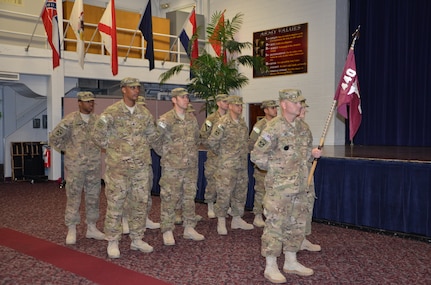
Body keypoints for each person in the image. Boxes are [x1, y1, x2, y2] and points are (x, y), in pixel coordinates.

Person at [250, 89, 322, 283]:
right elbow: (257, 156)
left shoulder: (303, 128)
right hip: (279, 189)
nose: (299, 105)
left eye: (300, 102)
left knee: (296, 225)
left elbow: (303, 153)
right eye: (296, 102)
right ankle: (270, 266)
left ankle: (291, 261)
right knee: (275, 226)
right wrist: (277, 168)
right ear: (284, 104)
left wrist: (312, 154)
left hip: (300, 186)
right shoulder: (273, 128)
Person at [92, 77, 161, 258]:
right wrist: (114, 147)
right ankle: (113, 241)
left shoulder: (144, 114)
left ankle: (137, 239)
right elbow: (97, 135)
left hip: (140, 168)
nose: (136, 91)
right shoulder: (111, 112)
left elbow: (153, 137)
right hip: (118, 169)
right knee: (115, 204)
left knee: (139, 204)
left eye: (138, 87)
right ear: (123, 89)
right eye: (132, 88)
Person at [49, 91, 105, 245]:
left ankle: (92, 228)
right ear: (79, 103)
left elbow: (105, 138)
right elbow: (54, 137)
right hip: (76, 167)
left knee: (93, 197)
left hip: (93, 166)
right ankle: (72, 228)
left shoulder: (98, 121)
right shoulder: (70, 120)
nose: (90, 104)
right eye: (87, 102)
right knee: (74, 197)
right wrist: (68, 151)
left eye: (92, 102)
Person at [157, 88, 205, 246]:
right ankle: (167, 230)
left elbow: (196, 139)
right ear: (174, 100)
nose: (186, 100)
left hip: (190, 167)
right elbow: (156, 141)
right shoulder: (166, 119)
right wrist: (169, 155)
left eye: (187, 97)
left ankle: (189, 228)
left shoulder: (191, 119)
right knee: (170, 198)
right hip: (173, 168)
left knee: (189, 198)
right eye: (182, 97)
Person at [207, 95, 254, 235]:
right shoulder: (222, 123)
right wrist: (224, 155)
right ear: (230, 106)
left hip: (241, 164)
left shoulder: (242, 123)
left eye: (241, 105)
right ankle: (221, 221)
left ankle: (237, 218)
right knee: (224, 193)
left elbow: (246, 142)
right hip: (227, 165)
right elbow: (212, 142)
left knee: (240, 192)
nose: (240, 108)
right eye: (237, 105)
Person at [121, 95, 160, 233]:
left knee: (145, 192)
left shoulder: (147, 120)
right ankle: (125, 219)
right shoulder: (125, 122)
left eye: (144, 105)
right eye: (140, 105)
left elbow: (154, 137)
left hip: (144, 162)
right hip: (128, 163)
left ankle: (145, 218)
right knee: (126, 193)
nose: (142, 107)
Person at [248, 99, 278, 228]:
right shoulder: (259, 126)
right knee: (261, 190)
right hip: (263, 166)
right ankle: (257, 215)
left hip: (276, 165)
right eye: (272, 108)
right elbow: (251, 143)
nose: (275, 110)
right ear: (265, 110)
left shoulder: (279, 124)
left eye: (275, 108)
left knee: (275, 192)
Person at [199, 94, 229, 218]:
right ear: (218, 103)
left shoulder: (230, 118)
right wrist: (212, 147)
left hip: (227, 157)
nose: (227, 103)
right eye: (224, 101)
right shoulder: (211, 119)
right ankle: (210, 206)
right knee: (212, 182)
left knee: (226, 183)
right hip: (214, 156)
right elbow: (203, 134)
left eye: (228, 101)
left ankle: (223, 207)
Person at [298, 101, 321, 252]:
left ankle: (303, 239)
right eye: (302, 107)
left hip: (306, 171)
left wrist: (313, 154)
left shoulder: (305, 128)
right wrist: (309, 153)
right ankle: (292, 242)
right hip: (292, 175)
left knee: (307, 204)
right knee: (295, 209)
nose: (305, 110)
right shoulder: (284, 127)